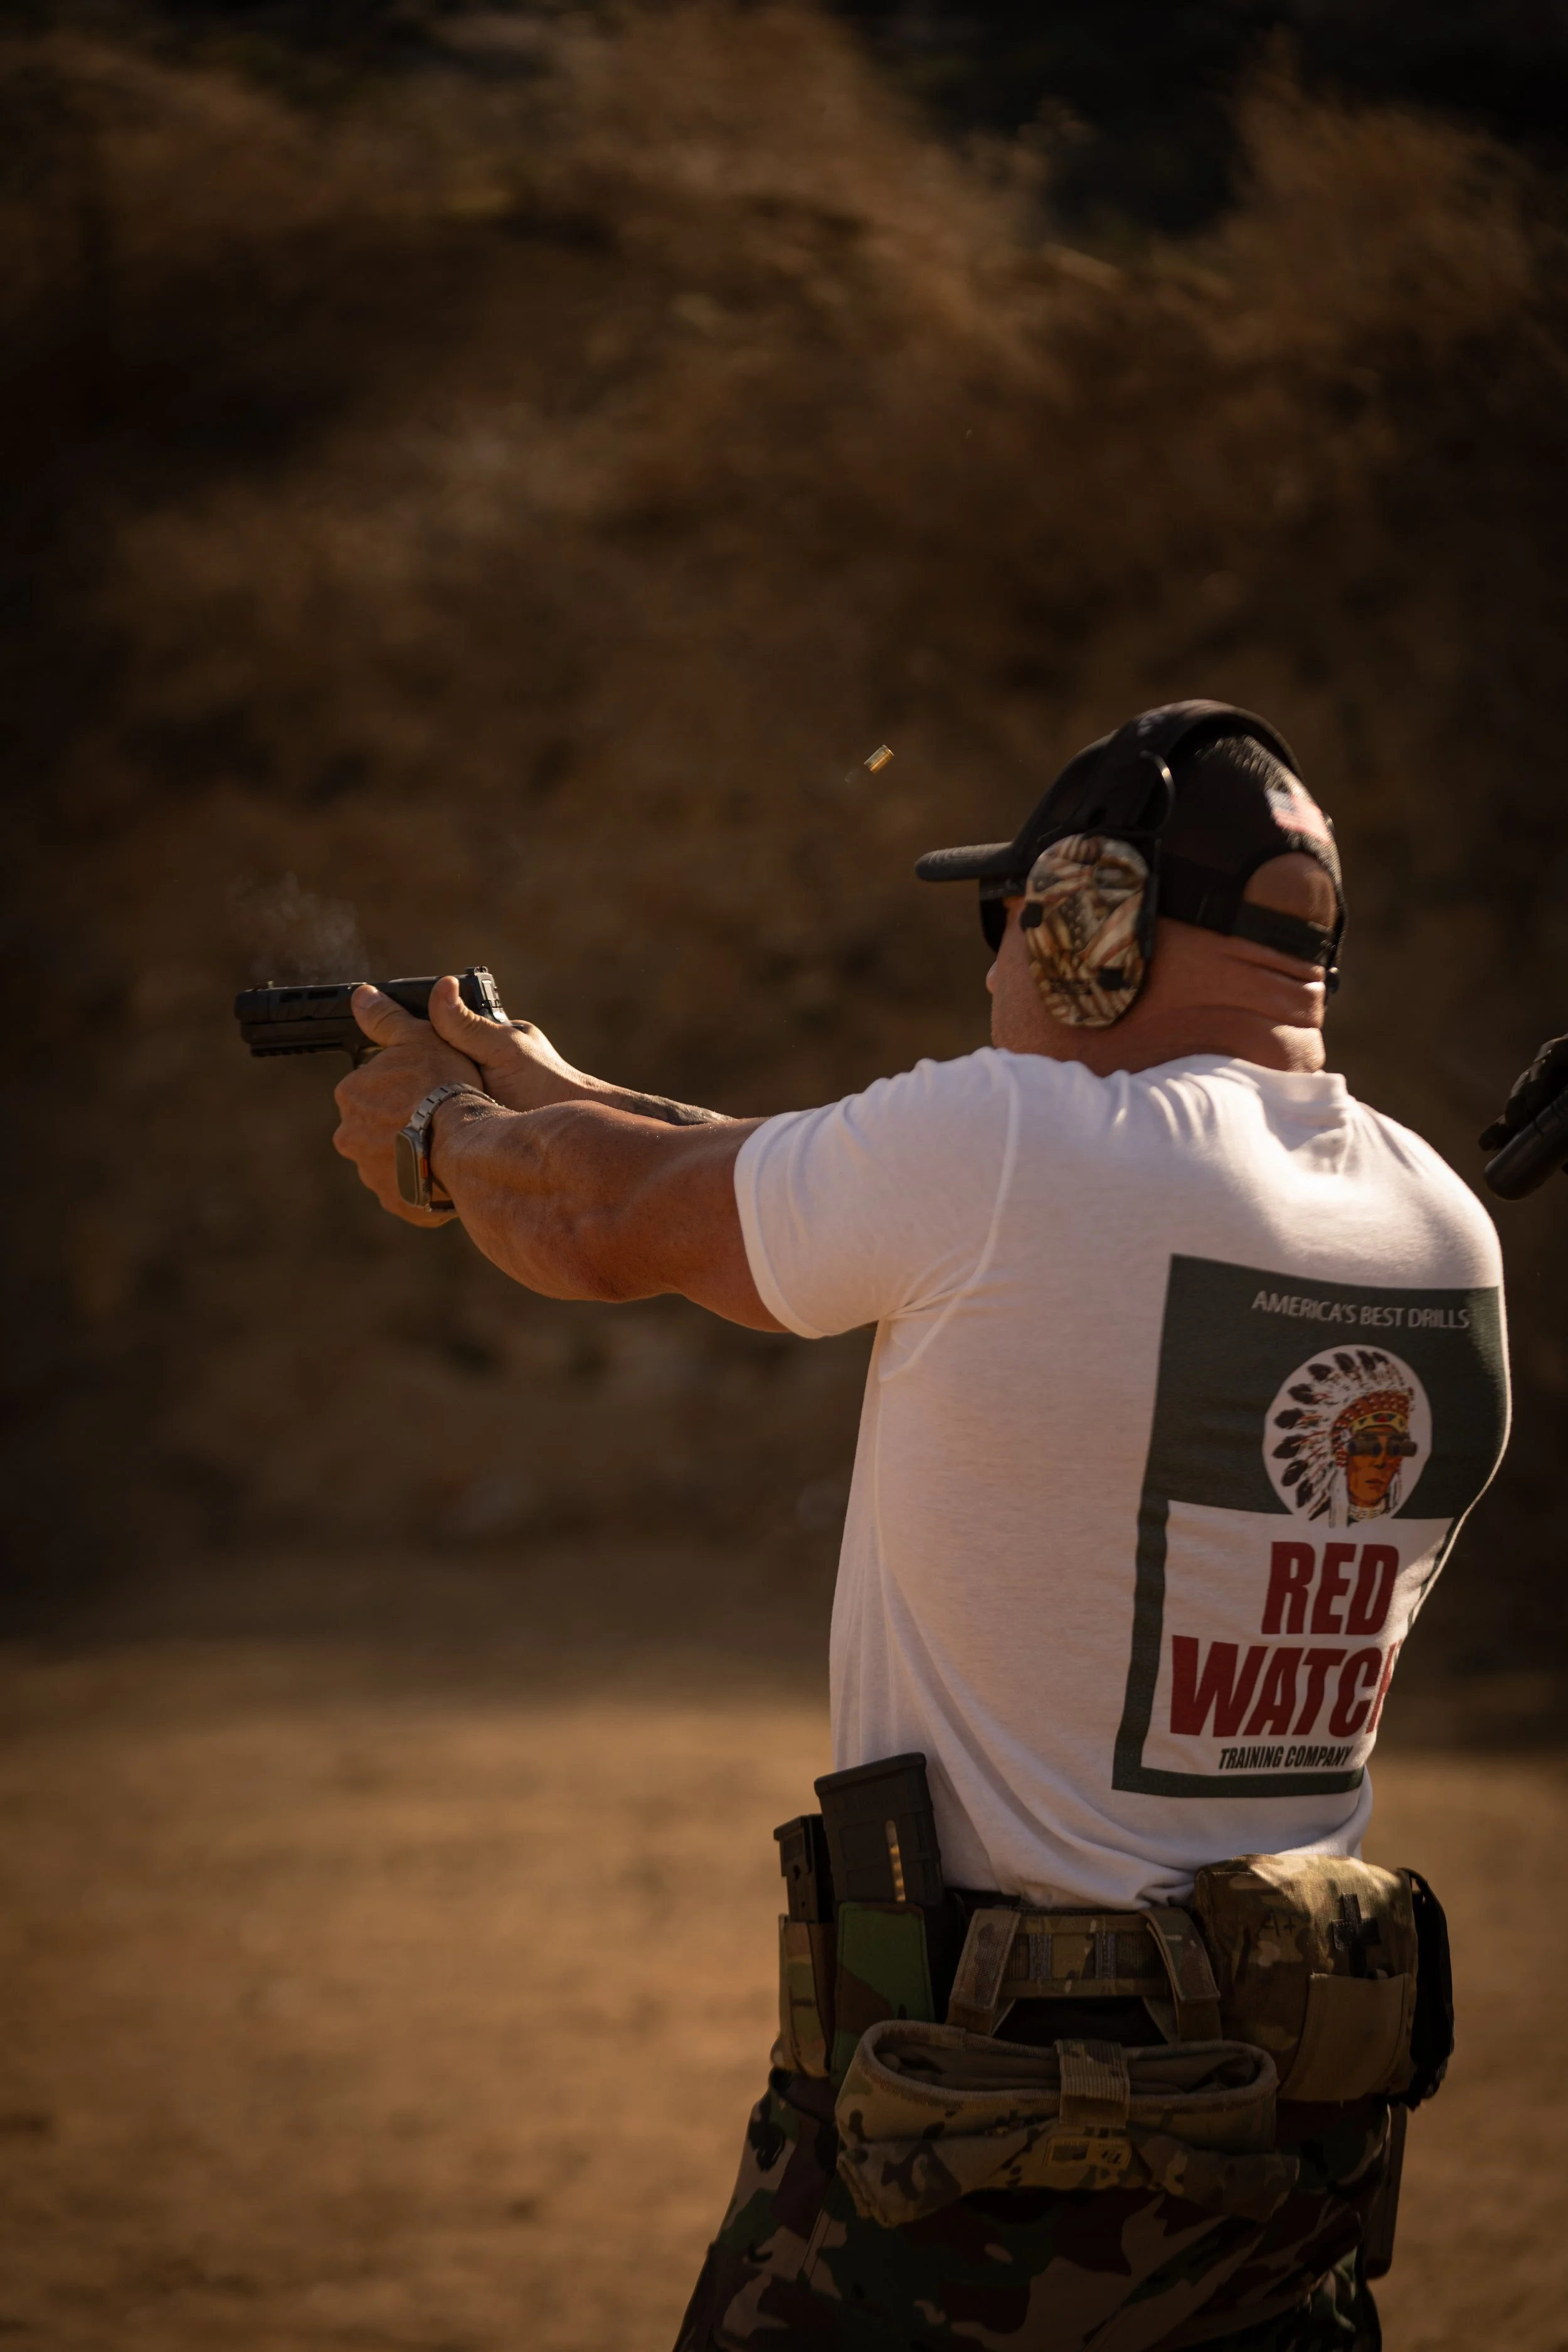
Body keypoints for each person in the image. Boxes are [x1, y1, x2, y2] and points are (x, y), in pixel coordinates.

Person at [331, 702, 1510, 2352]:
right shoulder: (1439, 1221)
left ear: (1094, 922)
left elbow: (606, 1220)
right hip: (1281, 2149)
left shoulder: (1009, 1150)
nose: (997, 965)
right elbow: (812, 1183)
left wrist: (436, 1136)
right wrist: (551, 1086)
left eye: (1013, 919)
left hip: (966, 2135)